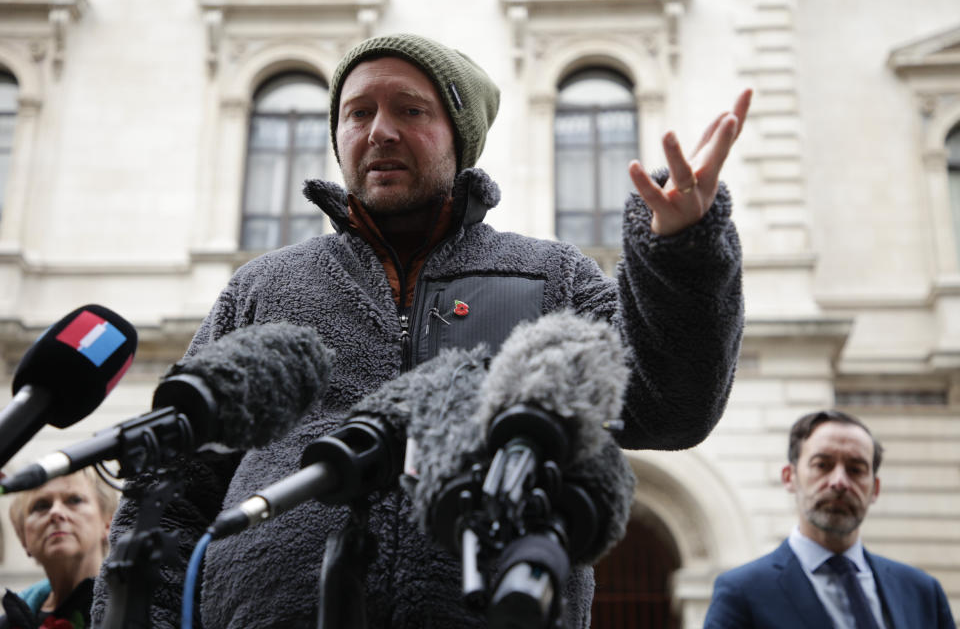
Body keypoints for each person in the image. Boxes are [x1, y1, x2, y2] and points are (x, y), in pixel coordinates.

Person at [92, 33, 750, 628]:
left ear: (458, 137)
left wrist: (682, 250)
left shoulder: (553, 277)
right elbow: (173, 497)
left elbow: (670, 406)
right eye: (358, 113)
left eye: (409, 110)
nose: (379, 131)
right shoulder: (264, 287)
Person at [704, 409, 956, 628]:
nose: (839, 482)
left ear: (875, 489)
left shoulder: (922, 591)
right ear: (789, 477)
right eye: (822, 465)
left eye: (856, 469)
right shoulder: (742, 592)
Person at [2, 467, 117, 629]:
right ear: (23, 538)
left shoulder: (139, 609)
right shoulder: (9, 622)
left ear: (108, 524)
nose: (56, 512)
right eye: (41, 506)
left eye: (74, 500)